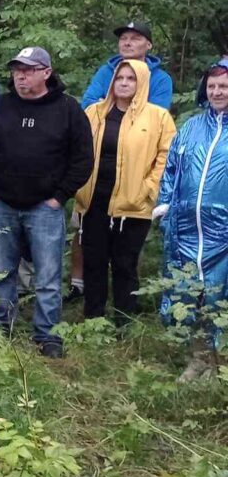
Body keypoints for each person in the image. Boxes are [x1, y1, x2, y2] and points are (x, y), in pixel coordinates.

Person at [0, 47, 93, 358]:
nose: (21, 76)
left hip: (45, 207)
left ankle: (48, 335)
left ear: (46, 72)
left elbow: (83, 159)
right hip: (3, 205)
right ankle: (0, 326)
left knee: (48, 276)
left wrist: (59, 196)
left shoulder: (68, 110)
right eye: (17, 70)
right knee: (1, 271)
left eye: (28, 70)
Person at [69, 20, 175, 301]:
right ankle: (90, 311)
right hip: (94, 194)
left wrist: (149, 188)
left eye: (134, 38)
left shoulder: (160, 88)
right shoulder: (101, 91)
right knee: (93, 256)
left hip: (134, 194)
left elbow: (163, 147)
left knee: (125, 261)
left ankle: (125, 315)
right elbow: (87, 107)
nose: (127, 42)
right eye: (120, 79)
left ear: (148, 45)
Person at [155, 60, 228, 381]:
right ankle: (198, 359)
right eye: (212, 86)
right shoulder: (191, 127)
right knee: (188, 293)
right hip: (186, 229)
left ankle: (218, 363)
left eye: (223, 86)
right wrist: (164, 203)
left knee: (218, 293)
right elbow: (171, 167)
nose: (217, 92)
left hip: (223, 234)